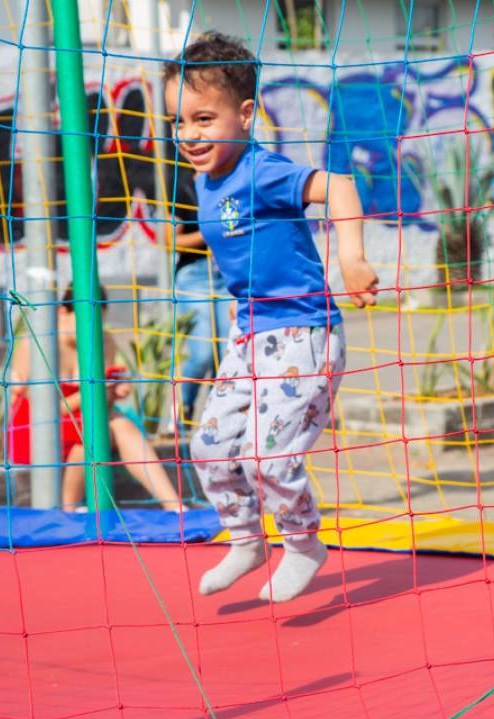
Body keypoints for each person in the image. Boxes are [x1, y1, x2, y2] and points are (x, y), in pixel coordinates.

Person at [164, 32, 378, 602]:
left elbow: (340, 187)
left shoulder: (263, 170)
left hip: (303, 334)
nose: (188, 134)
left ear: (245, 114)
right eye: (178, 121)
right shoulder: (205, 181)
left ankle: (303, 544)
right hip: (250, 337)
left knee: (268, 457)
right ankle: (245, 540)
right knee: (209, 446)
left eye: (203, 119)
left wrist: (350, 260)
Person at [7, 286, 184, 511]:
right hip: (36, 429)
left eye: (98, 323)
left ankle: (176, 507)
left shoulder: (103, 342)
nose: (91, 330)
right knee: (92, 430)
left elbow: (99, 406)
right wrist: (94, 392)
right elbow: (45, 412)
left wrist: (112, 392)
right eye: (85, 322)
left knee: (120, 424)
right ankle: (68, 509)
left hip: (82, 420)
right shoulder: (36, 344)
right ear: (62, 313)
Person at [166, 161, 234, 427]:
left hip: (228, 273)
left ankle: (217, 414)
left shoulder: (234, 184)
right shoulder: (183, 188)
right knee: (203, 351)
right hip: (195, 275)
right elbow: (170, 240)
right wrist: (209, 232)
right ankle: (184, 407)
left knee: (226, 352)